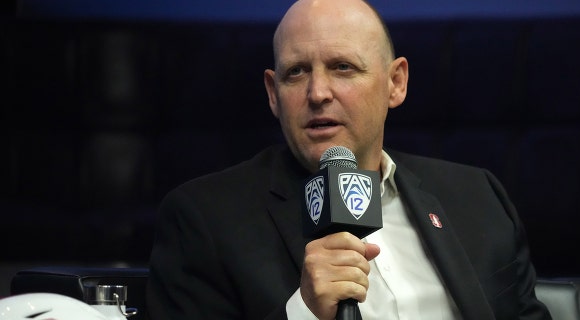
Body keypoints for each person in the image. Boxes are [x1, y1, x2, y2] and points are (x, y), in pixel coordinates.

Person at [146, 0, 551, 319]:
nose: (318, 92)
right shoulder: (204, 219)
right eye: (297, 72)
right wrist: (303, 313)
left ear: (396, 83)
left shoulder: (477, 196)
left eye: (342, 67)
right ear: (273, 94)